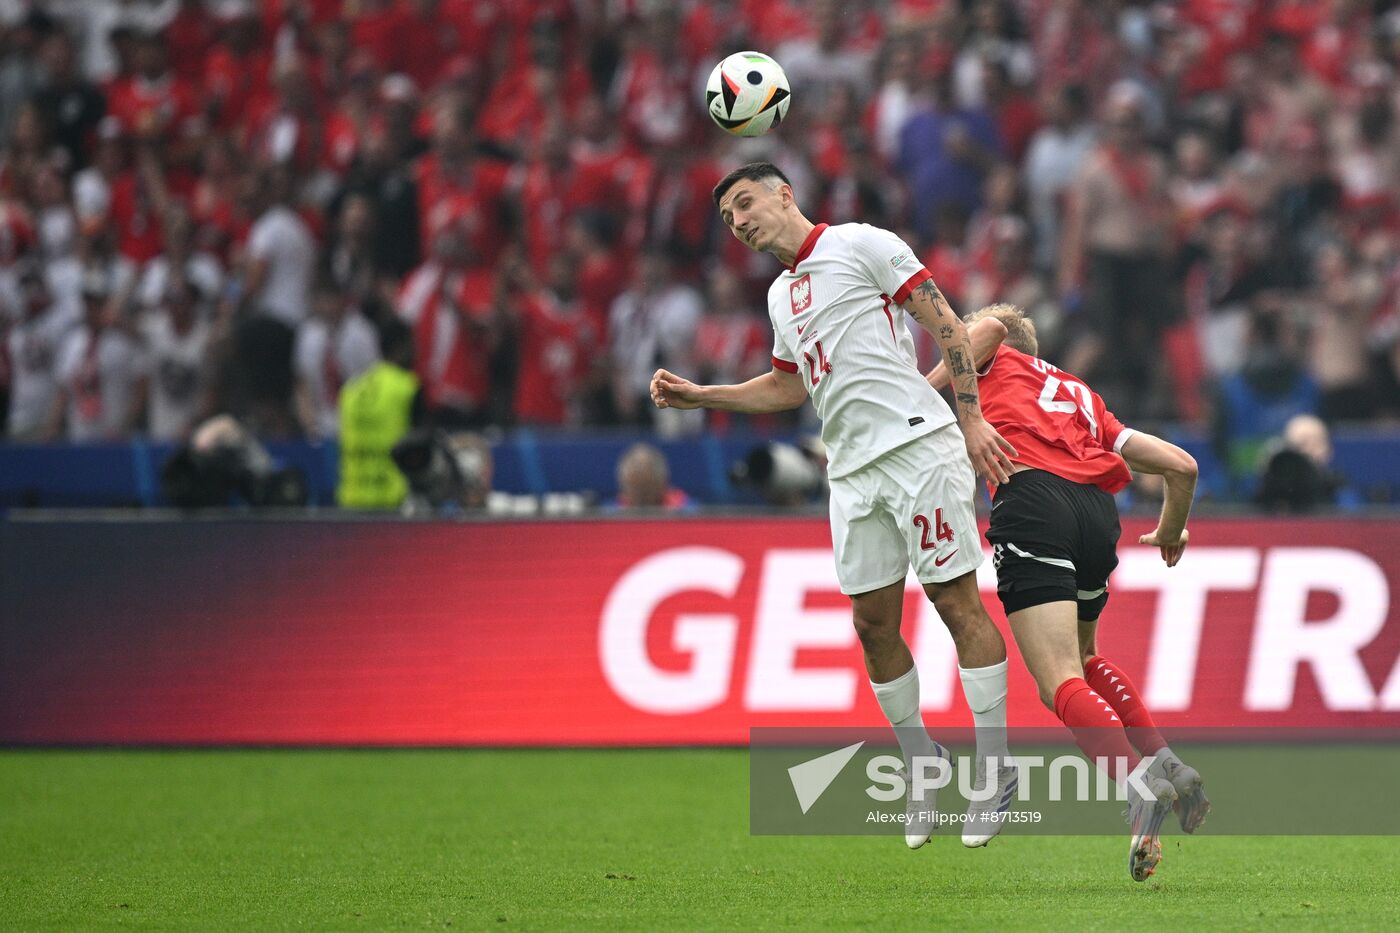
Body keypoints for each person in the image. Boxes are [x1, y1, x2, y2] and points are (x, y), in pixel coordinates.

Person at [651, 161, 1019, 849]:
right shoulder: (778, 296)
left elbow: (945, 322)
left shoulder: (861, 243)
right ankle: (923, 762)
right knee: (871, 624)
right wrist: (705, 396)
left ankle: (995, 769)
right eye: (729, 218)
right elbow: (789, 388)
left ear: (783, 194)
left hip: (917, 447)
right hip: (849, 472)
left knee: (954, 601)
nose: (739, 222)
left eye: (746, 203)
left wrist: (969, 419)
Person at [927, 303, 1208, 882]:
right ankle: (1166, 763)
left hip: (1032, 502)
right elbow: (1181, 466)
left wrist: (914, 394)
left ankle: (1139, 787)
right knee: (1085, 658)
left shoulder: (986, 358)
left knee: (1058, 680)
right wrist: (1173, 527)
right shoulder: (1079, 393)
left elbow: (983, 331)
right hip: (1096, 514)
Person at [337, 319, 425, 510]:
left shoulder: (351, 390)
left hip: (352, 499)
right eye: (413, 345)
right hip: (393, 500)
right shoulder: (407, 386)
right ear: (401, 347)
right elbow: (422, 446)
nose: (416, 352)